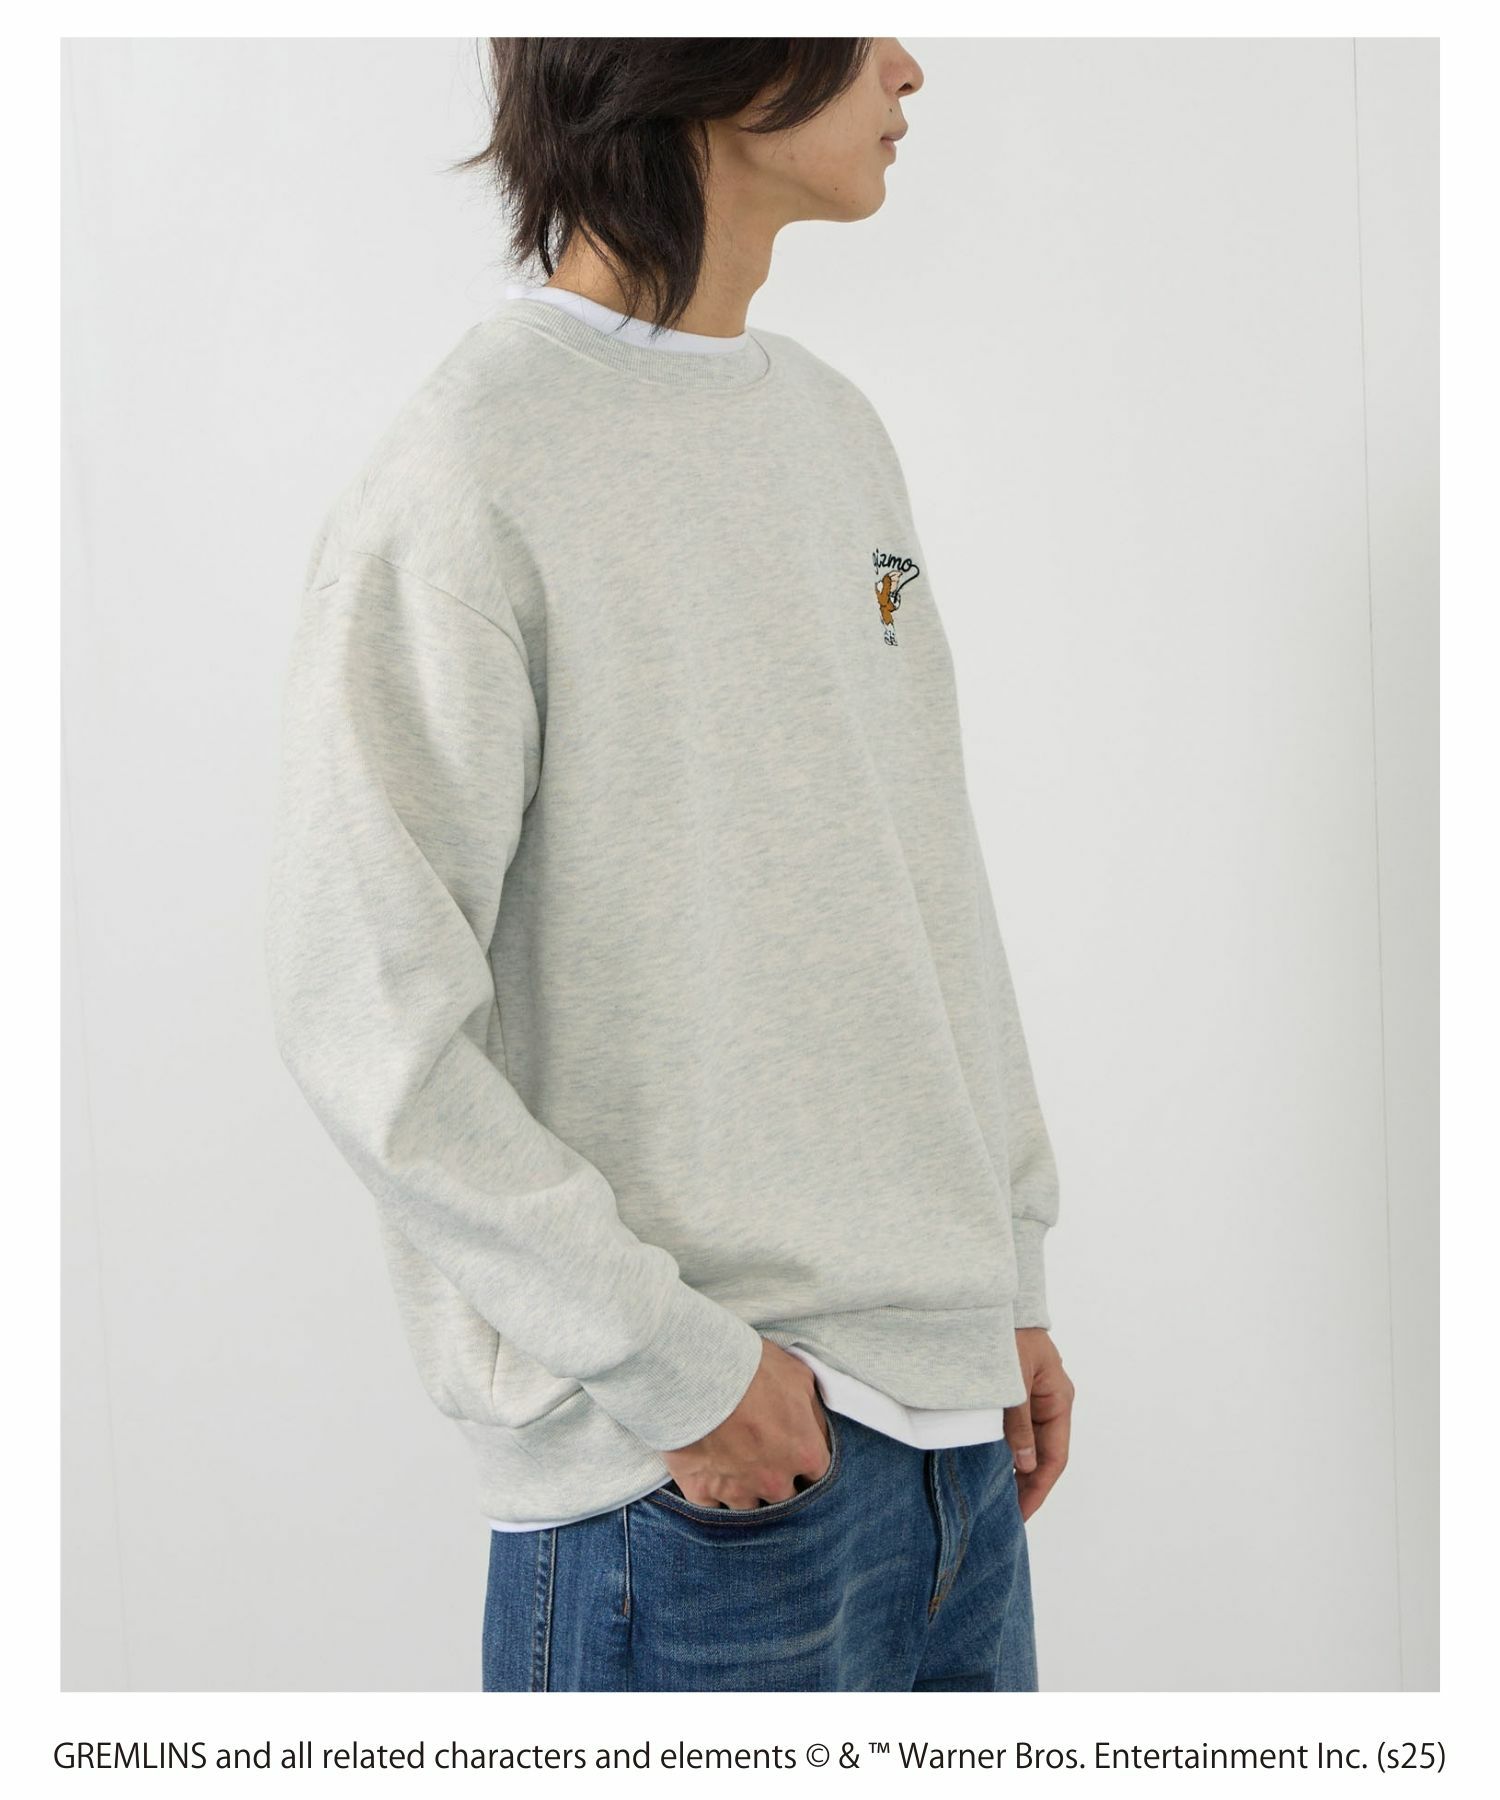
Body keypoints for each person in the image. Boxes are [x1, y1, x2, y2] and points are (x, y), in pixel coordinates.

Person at [265, 36, 1075, 1694]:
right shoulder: (471, 470)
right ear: (703, 56)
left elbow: (922, 871)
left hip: (953, 1455)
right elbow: (364, 1009)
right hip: (690, 1489)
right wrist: (676, 1368)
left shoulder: (834, 432)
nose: (909, 65)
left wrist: (1003, 1272)